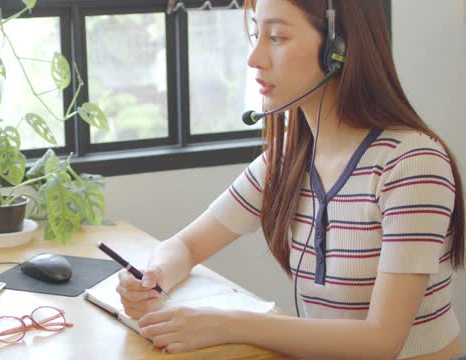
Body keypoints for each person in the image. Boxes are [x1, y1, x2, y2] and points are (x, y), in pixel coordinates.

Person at [115, 1, 465, 359]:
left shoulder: (412, 164)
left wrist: (229, 323)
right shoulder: (287, 161)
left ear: (337, 51)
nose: (254, 58)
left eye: (277, 37)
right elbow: (186, 246)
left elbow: (381, 341)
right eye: (255, 34)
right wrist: (152, 277)